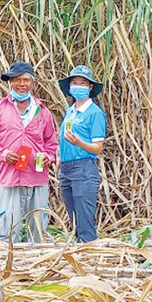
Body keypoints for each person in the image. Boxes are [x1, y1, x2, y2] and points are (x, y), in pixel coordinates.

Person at [0, 61, 58, 243]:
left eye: (26, 80)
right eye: (17, 80)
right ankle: (5, 262)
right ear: (10, 83)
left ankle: (34, 263)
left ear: (32, 83)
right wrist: (4, 154)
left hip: (37, 177)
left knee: (37, 226)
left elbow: (51, 143)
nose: (22, 84)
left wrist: (49, 157)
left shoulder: (42, 111)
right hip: (10, 175)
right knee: (7, 225)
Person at [57, 65, 106, 243]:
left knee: (85, 221)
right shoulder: (70, 111)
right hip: (66, 169)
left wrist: (80, 143)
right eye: (74, 82)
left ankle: (88, 254)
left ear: (90, 87)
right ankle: (79, 251)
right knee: (74, 218)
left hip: (84, 168)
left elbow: (98, 147)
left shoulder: (94, 113)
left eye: (83, 83)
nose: (78, 86)